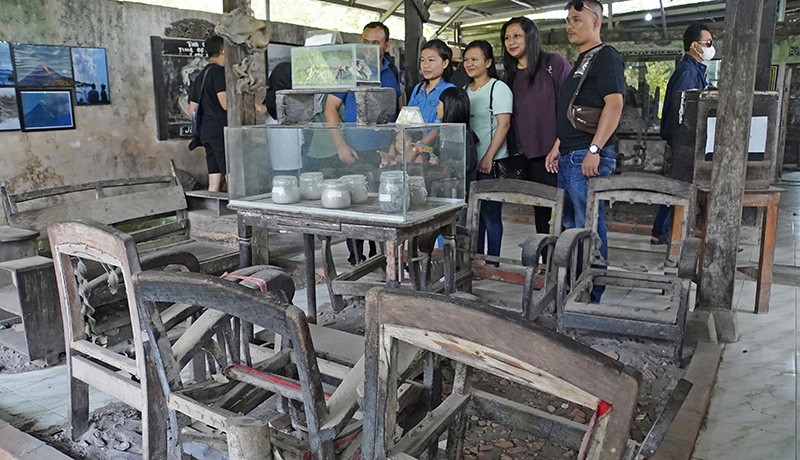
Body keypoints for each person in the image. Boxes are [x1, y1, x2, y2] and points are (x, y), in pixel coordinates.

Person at [545, 0, 625, 302]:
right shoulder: (581, 61)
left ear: (596, 21)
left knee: (588, 223)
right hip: (570, 153)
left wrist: (595, 148)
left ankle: (593, 290)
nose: (570, 25)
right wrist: (557, 145)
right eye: (568, 20)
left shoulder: (607, 57)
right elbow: (573, 110)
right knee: (570, 223)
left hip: (586, 155)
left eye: (577, 19)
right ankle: (574, 284)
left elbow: (614, 104)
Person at [324, 22, 402, 266]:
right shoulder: (348, 71)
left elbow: (399, 110)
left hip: (386, 155)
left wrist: (395, 145)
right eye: (365, 43)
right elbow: (330, 109)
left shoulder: (393, 72)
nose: (368, 48)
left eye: (375, 43)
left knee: (384, 207)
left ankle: (385, 260)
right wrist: (341, 145)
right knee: (355, 210)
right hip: (354, 153)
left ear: (386, 45)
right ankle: (357, 261)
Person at [502, 16, 572, 234]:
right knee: (541, 213)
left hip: (555, 153)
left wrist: (559, 144)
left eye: (516, 36)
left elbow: (569, 105)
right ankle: (545, 263)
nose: (511, 42)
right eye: (506, 38)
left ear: (530, 37)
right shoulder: (510, 77)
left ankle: (564, 265)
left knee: (564, 214)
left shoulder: (554, 64)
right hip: (527, 157)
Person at [650, 22, 713, 245]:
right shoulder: (687, 72)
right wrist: (684, 142)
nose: (710, 47)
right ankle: (664, 230)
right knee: (677, 185)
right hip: (683, 142)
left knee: (678, 185)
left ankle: (664, 230)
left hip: (685, 142)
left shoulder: (695, 71)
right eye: (708, 43)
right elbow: (682, 111)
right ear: (695, 46)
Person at [463, 40, 512, 264]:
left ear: (488, 62)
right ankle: (477, 259)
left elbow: (504, 125)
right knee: (475, 215)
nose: (469, 64)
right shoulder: (465, 90)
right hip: (470, 162)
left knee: (491, 216)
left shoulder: (497, 88)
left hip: (491, 161)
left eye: (475, 59)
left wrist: (489, 156)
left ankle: (493, 262)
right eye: (466, 60)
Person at [189, 35, 227, 192]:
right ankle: (236, 210)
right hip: (220, 131)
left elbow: (192, 111)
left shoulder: (200, 76)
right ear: (223, 51)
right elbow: (226, 104)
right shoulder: (219, 72)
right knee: (230, 172)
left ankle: (215, 211)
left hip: (206, 132)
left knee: (214, 178)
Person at [408, 39, 456, 123]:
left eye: (431, 60)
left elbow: (441, 124)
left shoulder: (449, 91)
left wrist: (425, 137)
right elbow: (408, 117)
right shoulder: (418, 88)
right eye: (422, 60)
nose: (425, 65)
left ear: (445, 63)